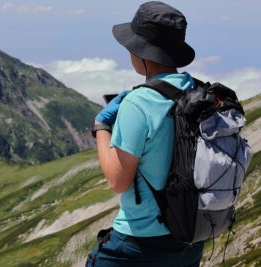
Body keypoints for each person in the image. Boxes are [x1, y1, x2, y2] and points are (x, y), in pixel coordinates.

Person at [87, 1, 204, 266]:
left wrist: (101, 127)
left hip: (138, 245)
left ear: (141, 52)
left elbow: (118, 181)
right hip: (189, 239)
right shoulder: (196, 92)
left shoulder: (138, 103)